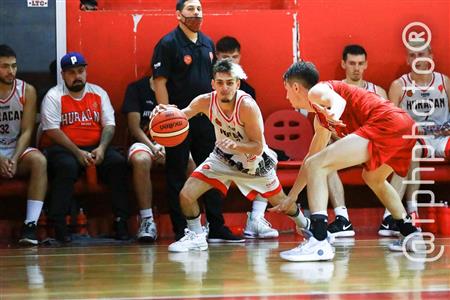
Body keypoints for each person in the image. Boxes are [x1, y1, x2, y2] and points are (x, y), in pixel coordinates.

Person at [272, 61, 422, 262]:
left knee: (318, 165)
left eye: (286, 90)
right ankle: (409, 231)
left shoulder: (317, 91)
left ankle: (319, 240)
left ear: (296, 87)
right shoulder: (320, 119)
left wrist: (333, 113)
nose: (286, 96)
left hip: (387, 123)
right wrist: (292, 196)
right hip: (405, 126)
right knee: (372, 178)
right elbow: (310, 159)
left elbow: (338, 102)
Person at [160, 59, 309, 252]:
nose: (224, 87)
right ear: (213, 83)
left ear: (238, 84)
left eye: (230, 82)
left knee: (283, 204)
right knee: (186, 196)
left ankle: (307, 226)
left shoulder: (247, 106)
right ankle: (196, 236)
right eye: (220, 82)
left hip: (254, 163)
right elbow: (181, 116)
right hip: (222, 159)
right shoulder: (205, 101)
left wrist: (236, 145)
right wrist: (164, 113)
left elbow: (257, 147)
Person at [151, 0, 242, 242]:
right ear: (179, 14)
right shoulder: (168, 43)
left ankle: (216, 226)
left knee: (212, 171)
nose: (196, 13)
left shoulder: (208, 43)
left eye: (199, 9)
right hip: (178, 121)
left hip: (206, 120)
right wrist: (167, 114)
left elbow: (215, 82)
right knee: (176, 175)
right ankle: (183, 230)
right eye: (191, 9)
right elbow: (160, 82)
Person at [41, 52, 130, 243]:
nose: (77, 76)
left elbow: (109, 125)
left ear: (86, 72)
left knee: (118, 164)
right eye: (71, 72)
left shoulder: (98, 93)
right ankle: (59, 225)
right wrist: (77, 152)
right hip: (65, 148)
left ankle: (122, 221)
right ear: (63, 74)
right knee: (66, 167)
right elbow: (51, 130)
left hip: (97, 146)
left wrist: (102, 148)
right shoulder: (54, 96)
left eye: (81, 71)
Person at [216, 36, 278, 239]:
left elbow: (253, 132)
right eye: (226, 58)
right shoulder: (210, 88)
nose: (231, 62)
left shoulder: (248, 92)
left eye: (235, 57)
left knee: (269, 158)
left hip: (242, 146)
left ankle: (256, 219)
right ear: (217, 58)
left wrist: (242, 146)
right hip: (215, 147)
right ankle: (207, 224)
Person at [327, 44, 390, 238]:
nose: (356, 68)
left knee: (407, 150)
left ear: (366, 65)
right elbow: (329, 126)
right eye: (352, 63)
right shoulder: (333, 91)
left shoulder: (377, 92)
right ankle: (342, 219)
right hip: (345, 145)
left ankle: (392, 218)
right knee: (323, 151)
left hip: (372, 146)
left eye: (360, 63)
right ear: (343, 64)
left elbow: (386, 125)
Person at [388, 41, 449, 228]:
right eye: (412, 56)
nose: (417, 60)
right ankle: (410, 210)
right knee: (410, 147)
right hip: (416, 139)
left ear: (431, 57)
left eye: (421, 55)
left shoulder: (444, 82)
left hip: (443, 138)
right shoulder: (399, 86)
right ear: (407, 59)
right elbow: (392, 125)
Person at [0, 44, 47, 246]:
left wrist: (12, 158)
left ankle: (30, 225)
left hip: (15, 148)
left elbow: (27, 130)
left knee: (39, 161)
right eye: (4, 66)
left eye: (14, 66)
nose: (11, 71)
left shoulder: (27, 90)